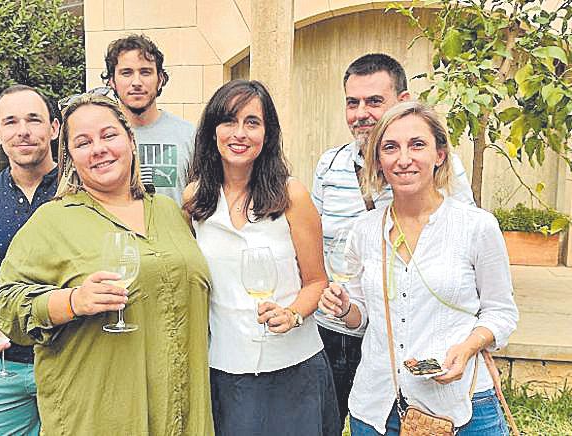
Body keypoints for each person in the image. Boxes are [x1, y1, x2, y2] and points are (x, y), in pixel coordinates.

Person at [0, 93, 214, 435]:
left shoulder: (170, 213)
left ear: (130, 140)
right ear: (71, 157)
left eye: (109, 135)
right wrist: (72, 302)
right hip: (100, 415)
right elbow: (7, 309)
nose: (98, 148)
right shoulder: (53, 220)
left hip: (180, 410)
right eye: (83, 142)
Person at [319, 101, 518, 435]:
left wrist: (467, 349)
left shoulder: (476, 227)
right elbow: (362, 316)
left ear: (440, 155)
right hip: (377, 407)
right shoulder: (365, 230)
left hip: (461, 407)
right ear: (379, 161)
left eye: (417, 145)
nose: (404, 158)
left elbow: (502, 313)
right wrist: (345, 308)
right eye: (391, 148)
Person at [310, 53, 476, 429]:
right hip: (340, 333)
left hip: (413, 338)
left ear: (403, 102)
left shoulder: (434, 164)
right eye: (352, 103)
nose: (361, 113)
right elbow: (315, 242)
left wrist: (475, 344)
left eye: (373, 101)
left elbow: (468, 249)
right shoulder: (329, 165)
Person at [184, 79, 340, 435]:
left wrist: (294, 314)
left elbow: (317, 282)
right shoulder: (194, 200)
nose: (240, 133)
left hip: (293, 368)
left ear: (267, 134)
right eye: (229, 121)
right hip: (225, 370)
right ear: (212, 131)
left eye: (252, 122)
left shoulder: (292, 195)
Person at [0, 85, 60, 435]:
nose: (23, 131)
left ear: (53, 128)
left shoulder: (79, 189)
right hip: (5, 362)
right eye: (11, 121)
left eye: (34, 119)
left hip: (72, 357)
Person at [102, 34, 194, 205]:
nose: (136, 82)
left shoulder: (189, 135)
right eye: (126, 73)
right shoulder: (100, 139)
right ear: (112, 82)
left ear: (160, 79)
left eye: (145, 72)